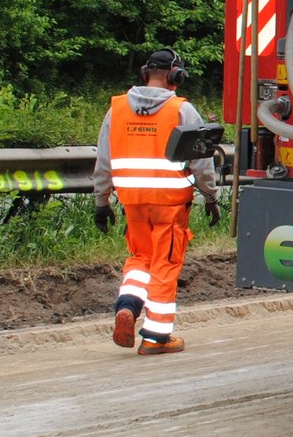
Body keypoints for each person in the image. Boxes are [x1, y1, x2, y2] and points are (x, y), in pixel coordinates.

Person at [93, 49, 220, 354]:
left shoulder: (117, 109)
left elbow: (104, 159)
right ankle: (156, 337)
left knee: (140, 260)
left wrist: (102, 200)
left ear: (144, 73)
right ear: (177, 75)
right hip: (170, 204)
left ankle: (127, 306)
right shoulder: (182, 110)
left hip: (133, 203)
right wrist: (211, 196)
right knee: (164, 265)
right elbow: (201, 161)